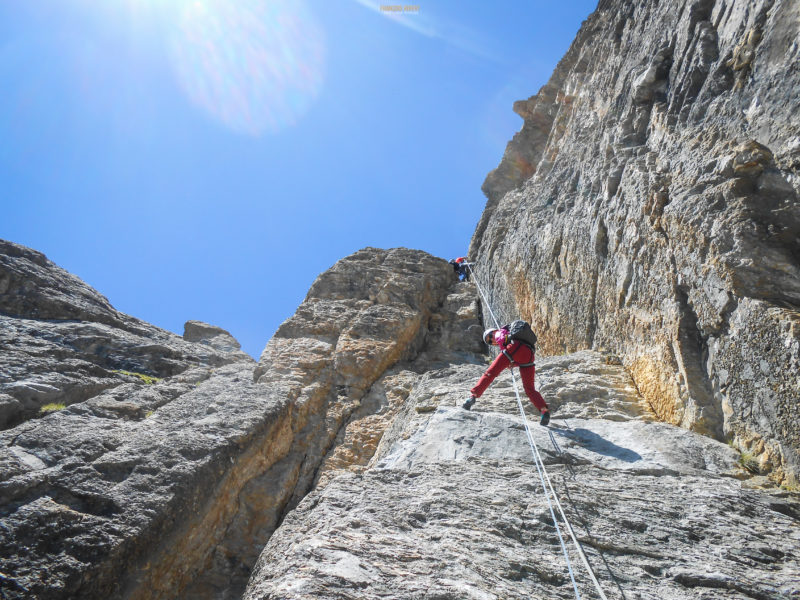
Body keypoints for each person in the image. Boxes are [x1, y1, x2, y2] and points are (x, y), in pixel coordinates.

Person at [462, 326, 551, 425]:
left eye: (490, 336)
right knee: (529, 388)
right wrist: (514, 363)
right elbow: (520, 354)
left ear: (494, 331)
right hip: (529, 355)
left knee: (490, 373)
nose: (492, 339)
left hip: (514, 348)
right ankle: (544, 411)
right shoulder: (511, 334)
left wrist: (507, 356)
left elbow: (504, 342)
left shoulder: (499, 333)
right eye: (490, 342)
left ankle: (472, 397)